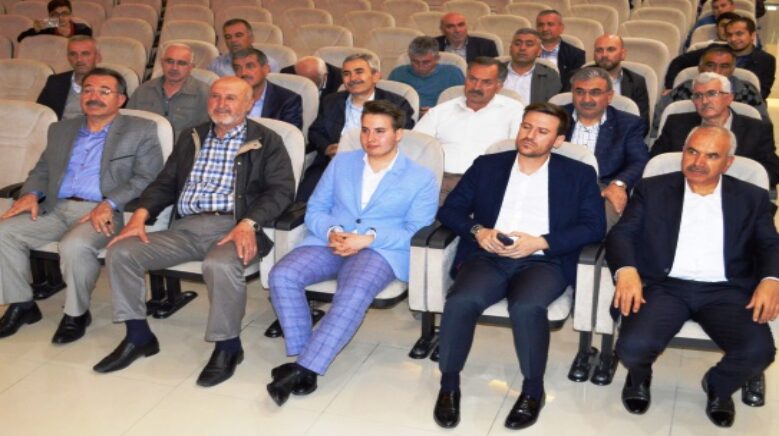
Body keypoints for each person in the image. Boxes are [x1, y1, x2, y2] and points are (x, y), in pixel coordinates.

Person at [94, 77, 295, 388]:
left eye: (230, 98)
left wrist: (249, 223)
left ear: (249, 104)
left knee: (219, 264)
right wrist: (140, 216)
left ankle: (228, 347)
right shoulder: (193, 136)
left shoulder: (266, 141)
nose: (221, 104)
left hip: (234, 227)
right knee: (121, 251)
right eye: (215, 96)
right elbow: (165, 183)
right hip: (185, 228)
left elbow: (281, 191)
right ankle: (138, 336)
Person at [433, 102, 606, 430]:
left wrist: (542, 241)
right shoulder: (488, 165)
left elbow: (594, 226)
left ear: (558, 140)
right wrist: (478, 231)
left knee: (526, 307)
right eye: (527, 127)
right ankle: (449, 385)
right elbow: (450, 209)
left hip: (543, 261)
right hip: (489, 256)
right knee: (460, 301)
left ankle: (532, 390)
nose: (530, 135)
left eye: (542, 131)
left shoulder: (578, 174)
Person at [266, 100, 439, 407]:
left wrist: (368, 239)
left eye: (380, 131)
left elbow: (415, 230)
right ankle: (306, 360)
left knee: (354, 292)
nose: (371, 138)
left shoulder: (420, 177)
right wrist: (332, 230)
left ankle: (304, 368)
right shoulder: (342, 163)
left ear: (398, 134)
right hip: (330, 241)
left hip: (380, 250)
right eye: (365, 130)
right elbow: (316, 208)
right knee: (282, 275)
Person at [607, 125, 778, 428]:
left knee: (759, 352)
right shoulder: (652, 189)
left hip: (726, 290)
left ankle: (718, 386)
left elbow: (770, 244)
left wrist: (771, 280)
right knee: (631, 348)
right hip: (665, 286)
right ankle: (640, 375)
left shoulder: (751, 197)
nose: (698, 162)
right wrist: (627, 270)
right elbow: (623, 234)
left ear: (728, 163)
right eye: (692, 152)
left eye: (712, 156)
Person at [0, 68, 163, 344]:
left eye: (104, 91)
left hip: (102, 211)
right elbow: (43, 169)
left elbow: (147, 176)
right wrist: (31, 193)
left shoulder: (140, 130)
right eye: (88, 90)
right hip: (54, 206)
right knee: (3, 232)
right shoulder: (61, 129)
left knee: (74, 246)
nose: (94, 96)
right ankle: (22, 304)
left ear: (120, 99)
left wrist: (109, 202)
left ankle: (76, 314)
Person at [298, 53, 415, 202]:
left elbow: (402, 140)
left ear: (376, 76)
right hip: (332, 164)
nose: (352, 78)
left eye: (359, 72)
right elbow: (315, 131)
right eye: (347, 74)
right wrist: (327, 148)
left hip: (378, 167)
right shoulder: (331, 101)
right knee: (304, 204)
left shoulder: (397, 104)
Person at [414, 57, 525, 202]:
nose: (476, 87)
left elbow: (519, 152)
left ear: (498, 86)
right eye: (472, 79)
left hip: (487, 184)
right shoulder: (440, 111)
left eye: (486, 82)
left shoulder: (514, 111)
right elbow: (416, 147)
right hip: (441, 182)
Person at [651, 72, 779, 187]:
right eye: (698, 95)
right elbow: (656, 163)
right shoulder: (676, 123)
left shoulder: (757, 129)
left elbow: (773, 172)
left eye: (712, 94)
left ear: (729, 98)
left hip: (735, 195)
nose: (704, 101)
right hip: (681, 190)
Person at [562, 67, 649, 227]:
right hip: (556, 182)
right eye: (579, 92)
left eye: (595, 92)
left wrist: (619, 184)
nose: (586, 99)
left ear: (609, 96)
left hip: (602, 188)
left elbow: (639, 161)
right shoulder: (556, 117)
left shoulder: (627, 124)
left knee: (601, 220)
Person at [652, 46, 768, 137]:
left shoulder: (747, 92)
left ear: (732, 69)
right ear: (700, 68)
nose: (717, 70)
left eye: (724, 66)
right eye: (710, 65)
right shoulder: (684, 89)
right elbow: (659, 121)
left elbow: (763, 126)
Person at [126, 43, 210, 140]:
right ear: (162, 63)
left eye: (181, 63)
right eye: (169, 61)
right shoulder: (143, 90)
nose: (174, 68)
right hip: (145, 145)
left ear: (191, 67)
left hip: (185, 148)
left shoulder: (206, 93)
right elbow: (127, 123)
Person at [663, 12, 740, 91]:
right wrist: (670, 87)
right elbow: (678, 62)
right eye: (724, 26)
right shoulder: (712, 51)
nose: (727, 30)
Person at [388, 36, 465, 115]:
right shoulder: (398, 73)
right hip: (405, 117)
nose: (420, 66)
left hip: (442, 117)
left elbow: (463, 104)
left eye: (426, 62)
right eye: (415, 61)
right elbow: (387, 104)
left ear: (437, 58)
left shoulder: (453, 73)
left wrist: (436, 111)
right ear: (409, 57)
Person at [590, 34, 650, 132]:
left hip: (622, 137)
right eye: (599, 50)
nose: (604, 55)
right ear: (594, 55)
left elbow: (642, 124)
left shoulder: (636, 82)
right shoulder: (578, 78)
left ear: (623, 54)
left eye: (610, 50)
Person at [232, 48, 303, 129]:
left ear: (266, 69)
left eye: (250, 66)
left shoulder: (288, 100)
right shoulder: (227, 96)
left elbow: (289, 134)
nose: (243, 73)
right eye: (237, 68)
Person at [37, 35, 101, 120]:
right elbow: (40, 114)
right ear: (68, 57)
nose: (79, 59)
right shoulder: (55, 82)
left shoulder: (110, 83)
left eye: (85, 54)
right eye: (73, 54)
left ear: (97, 57)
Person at [503, 28, 561, 105]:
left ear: (539, 51)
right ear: (510, 48)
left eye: (529, 44)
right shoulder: (495, 71)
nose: (522, 48)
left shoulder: (549, 76)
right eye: (517, 44)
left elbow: (552, 107)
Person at [724, 17, 775, 99]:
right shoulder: (715, 53)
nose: (733, 39)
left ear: (753, 35)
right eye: (729, 35)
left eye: (739, 34)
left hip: (749, 103)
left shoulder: (766, 60)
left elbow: (762, 93)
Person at [536, 10, 585, 86]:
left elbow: (575, 84)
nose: (545, 29)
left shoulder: (576, 55)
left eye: (550, 24)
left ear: (561, 28)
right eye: (540, 25)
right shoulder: (527, 52)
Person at [17, 0, 91, 42]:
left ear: (71, 14)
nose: (61, 18)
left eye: (64, 13)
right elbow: (20, 38)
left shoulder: (83, 29)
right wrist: (37, 29)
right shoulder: (47, 29)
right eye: (56, 15)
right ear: (50, 16)